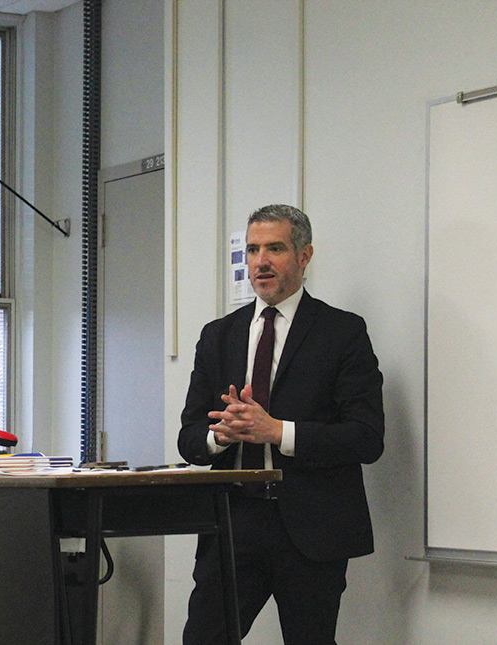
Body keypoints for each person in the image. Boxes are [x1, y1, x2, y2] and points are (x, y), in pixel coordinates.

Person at [177, 204, 384, 644]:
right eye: (252, 250)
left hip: (310, 528)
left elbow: (367, 438)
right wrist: (219, 436)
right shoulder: (218, 335)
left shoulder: (342, 332)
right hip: (232, 522)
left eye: (275, 248)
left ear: (305, 256)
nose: (260, 261)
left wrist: (279, 432)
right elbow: (189, 437)